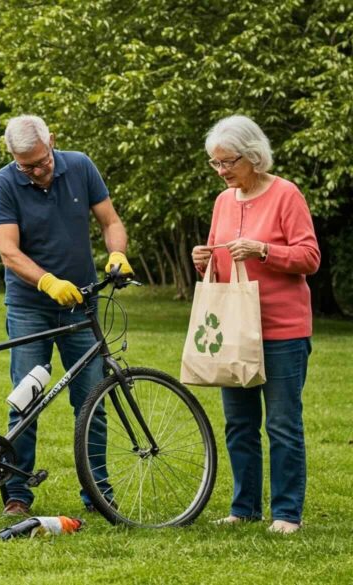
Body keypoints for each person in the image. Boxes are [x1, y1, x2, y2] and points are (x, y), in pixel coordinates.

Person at [0, 115, 132, 516]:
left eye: (41, 161)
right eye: (25, 165)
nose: (35, 171)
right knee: (26, 399)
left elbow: (111, 221)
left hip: (80, 306)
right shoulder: (2, 183)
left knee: (92, 400)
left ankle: (97, 494)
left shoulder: (81, 166)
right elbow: (9, 252)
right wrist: (48, 282)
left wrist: (117, 253)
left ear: (52, 141)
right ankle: (17, 494)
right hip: (30, 305)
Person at [193, 115, 320, 535]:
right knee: (239, 423)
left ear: (252, 156)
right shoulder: (223, 201)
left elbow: (309, 258)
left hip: (282, 329)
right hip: (233, 328)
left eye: (228, 162)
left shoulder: (286, 194)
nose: (222, 171)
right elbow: (220, 257)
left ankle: (286, 513)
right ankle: (243, 507)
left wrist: (265, 250)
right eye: (215, 164)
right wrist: (203, 260)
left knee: (282, 424)